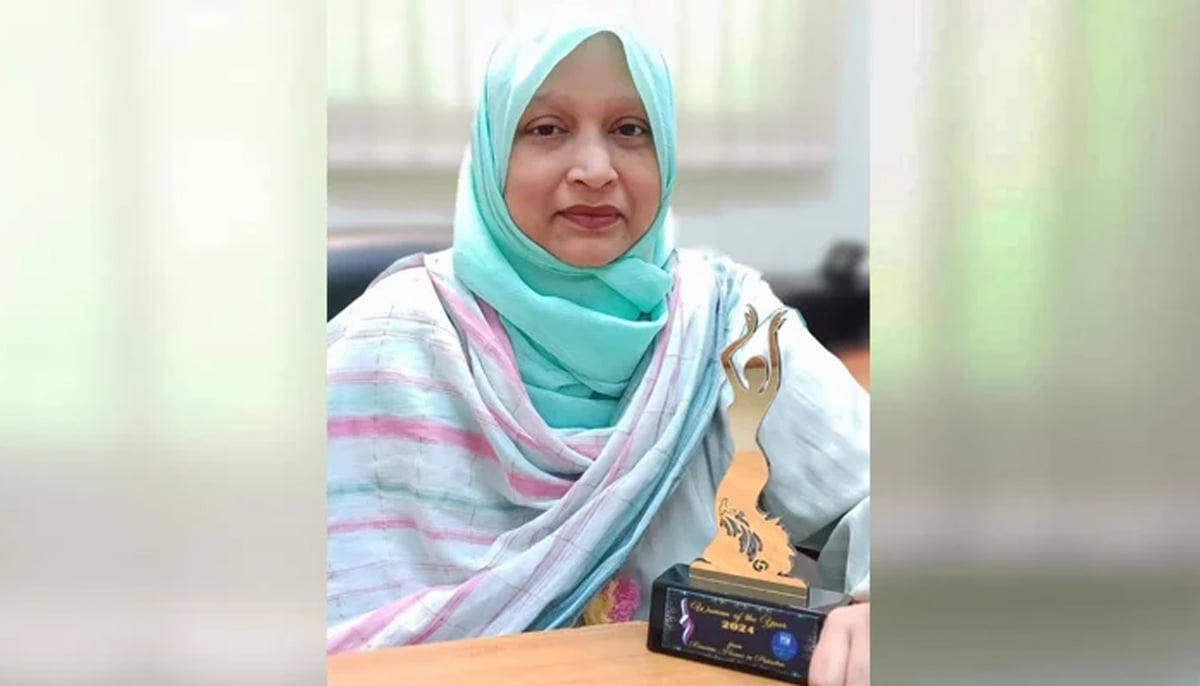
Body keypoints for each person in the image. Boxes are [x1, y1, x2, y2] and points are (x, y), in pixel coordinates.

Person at [327, 22, 870, 685]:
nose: (594, 169)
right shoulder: (394, 339)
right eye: (548, 129)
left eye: (630, 130)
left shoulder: (728, 322)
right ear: (494, 151)